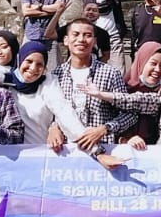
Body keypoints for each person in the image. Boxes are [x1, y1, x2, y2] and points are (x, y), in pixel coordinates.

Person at [53, 19, 136, 153]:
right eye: (76, 34)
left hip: (104, 150)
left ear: (94, 41)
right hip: (67, 152)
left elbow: (130, 113)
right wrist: (53, 126)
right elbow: (51, 113)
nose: (81, 39)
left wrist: (105, 129)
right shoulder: (56, 75)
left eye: (87, 35)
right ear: (66, 40)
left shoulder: (110, 73)